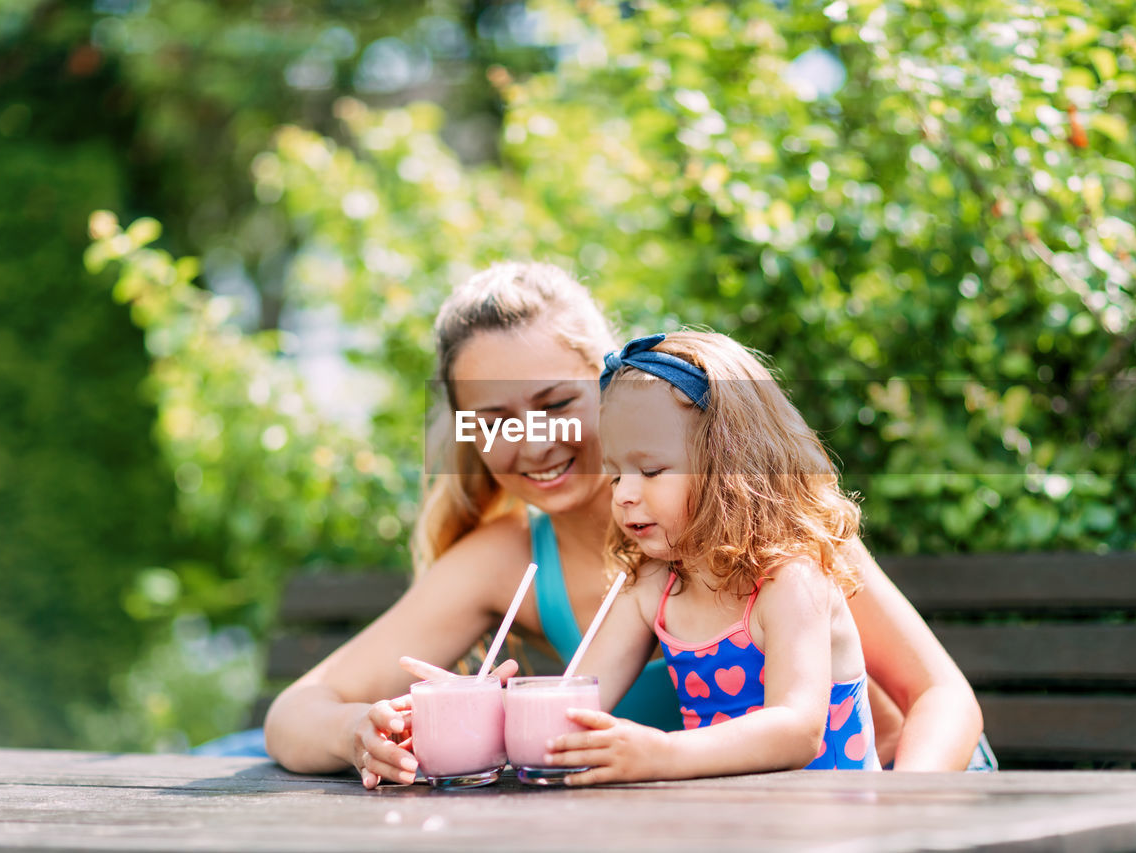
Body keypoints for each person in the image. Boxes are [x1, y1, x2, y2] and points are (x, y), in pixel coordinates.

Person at [262, 261, 989, 786]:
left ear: (615, 389)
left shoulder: (775, 532)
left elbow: (941, 697)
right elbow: (296, 712)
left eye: (555, 402)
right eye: (494, 419)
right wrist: (365, 732)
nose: (533, 440)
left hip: (903, 795)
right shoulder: (512, 558)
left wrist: (906, 811)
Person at [543, 331, 879, 783]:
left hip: (835, 827)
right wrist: (459, 711)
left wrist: (662, 752)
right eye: (615, 475)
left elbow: (798, 730)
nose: (623, 494)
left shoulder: (789, 581)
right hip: (734, 826)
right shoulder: (654, 588)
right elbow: (566, 709)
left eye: (651, 471)